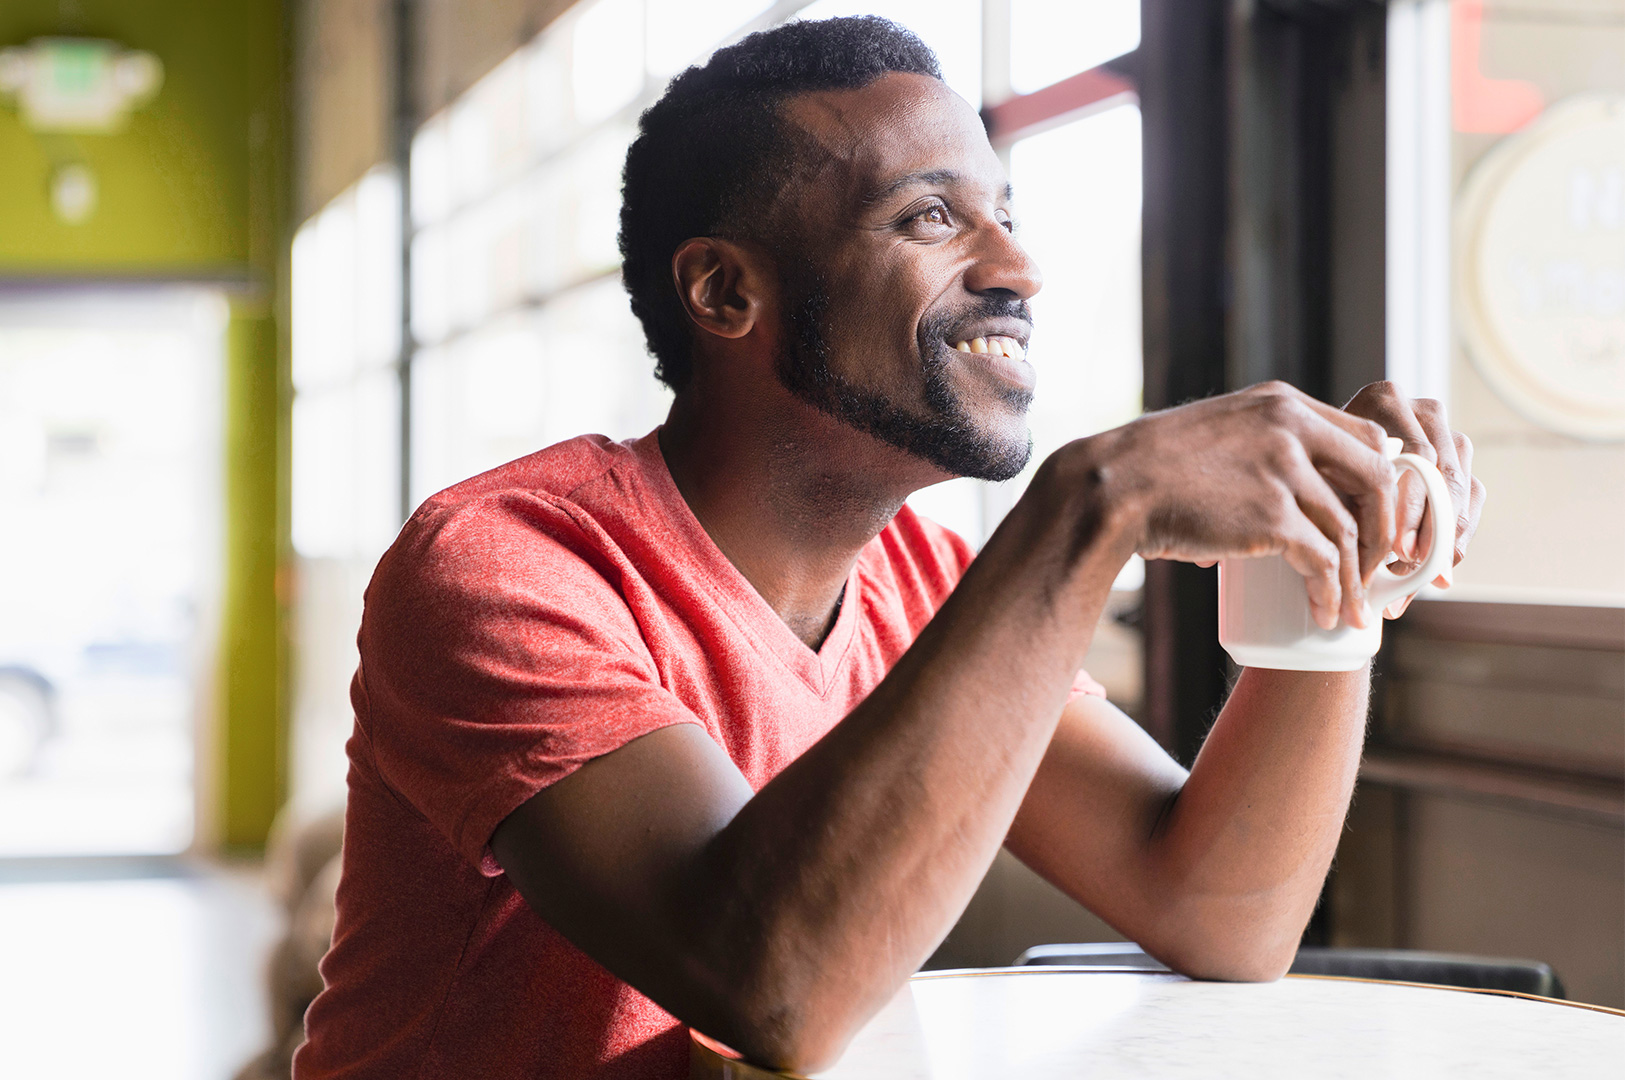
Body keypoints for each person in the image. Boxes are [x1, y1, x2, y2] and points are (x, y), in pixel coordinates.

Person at [295, 16, 1485, 1080]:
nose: (1016, 270)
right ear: (722, 291)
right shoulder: (507, 565)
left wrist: (1332, 584)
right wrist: (1094, 502)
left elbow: (1217, 910)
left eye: (1004, 217)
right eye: (929, 217)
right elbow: (771, 990)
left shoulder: (916, 580)